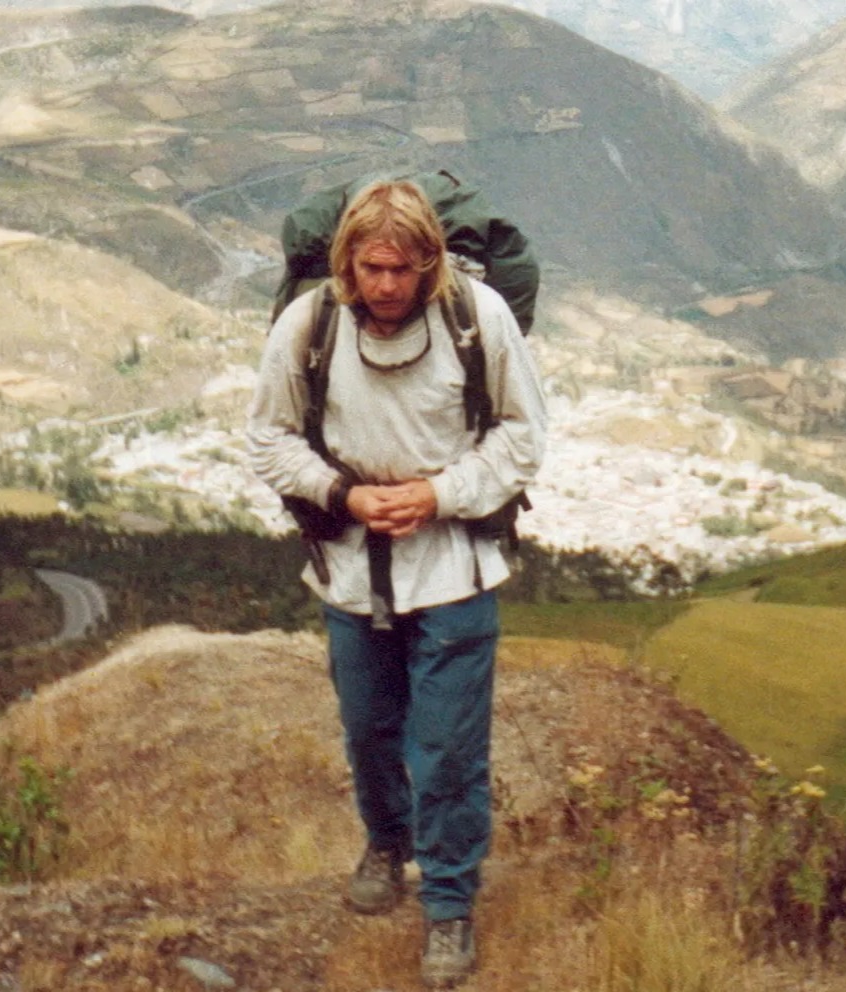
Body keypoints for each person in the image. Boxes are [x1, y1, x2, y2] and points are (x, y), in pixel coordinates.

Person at [246, 178, 547, 988]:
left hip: (453, 569)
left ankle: (447, 905)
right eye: (370, 267)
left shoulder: (477, 318)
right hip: (350, 571)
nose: (385, 285)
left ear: (431, 264)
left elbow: (523, 436)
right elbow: (270, 438)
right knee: (369, 733)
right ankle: (386, 840)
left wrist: (438, 495)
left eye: (402, 269)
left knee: (449, 749)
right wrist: (343, 495)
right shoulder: (307, 326)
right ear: (345, 261)